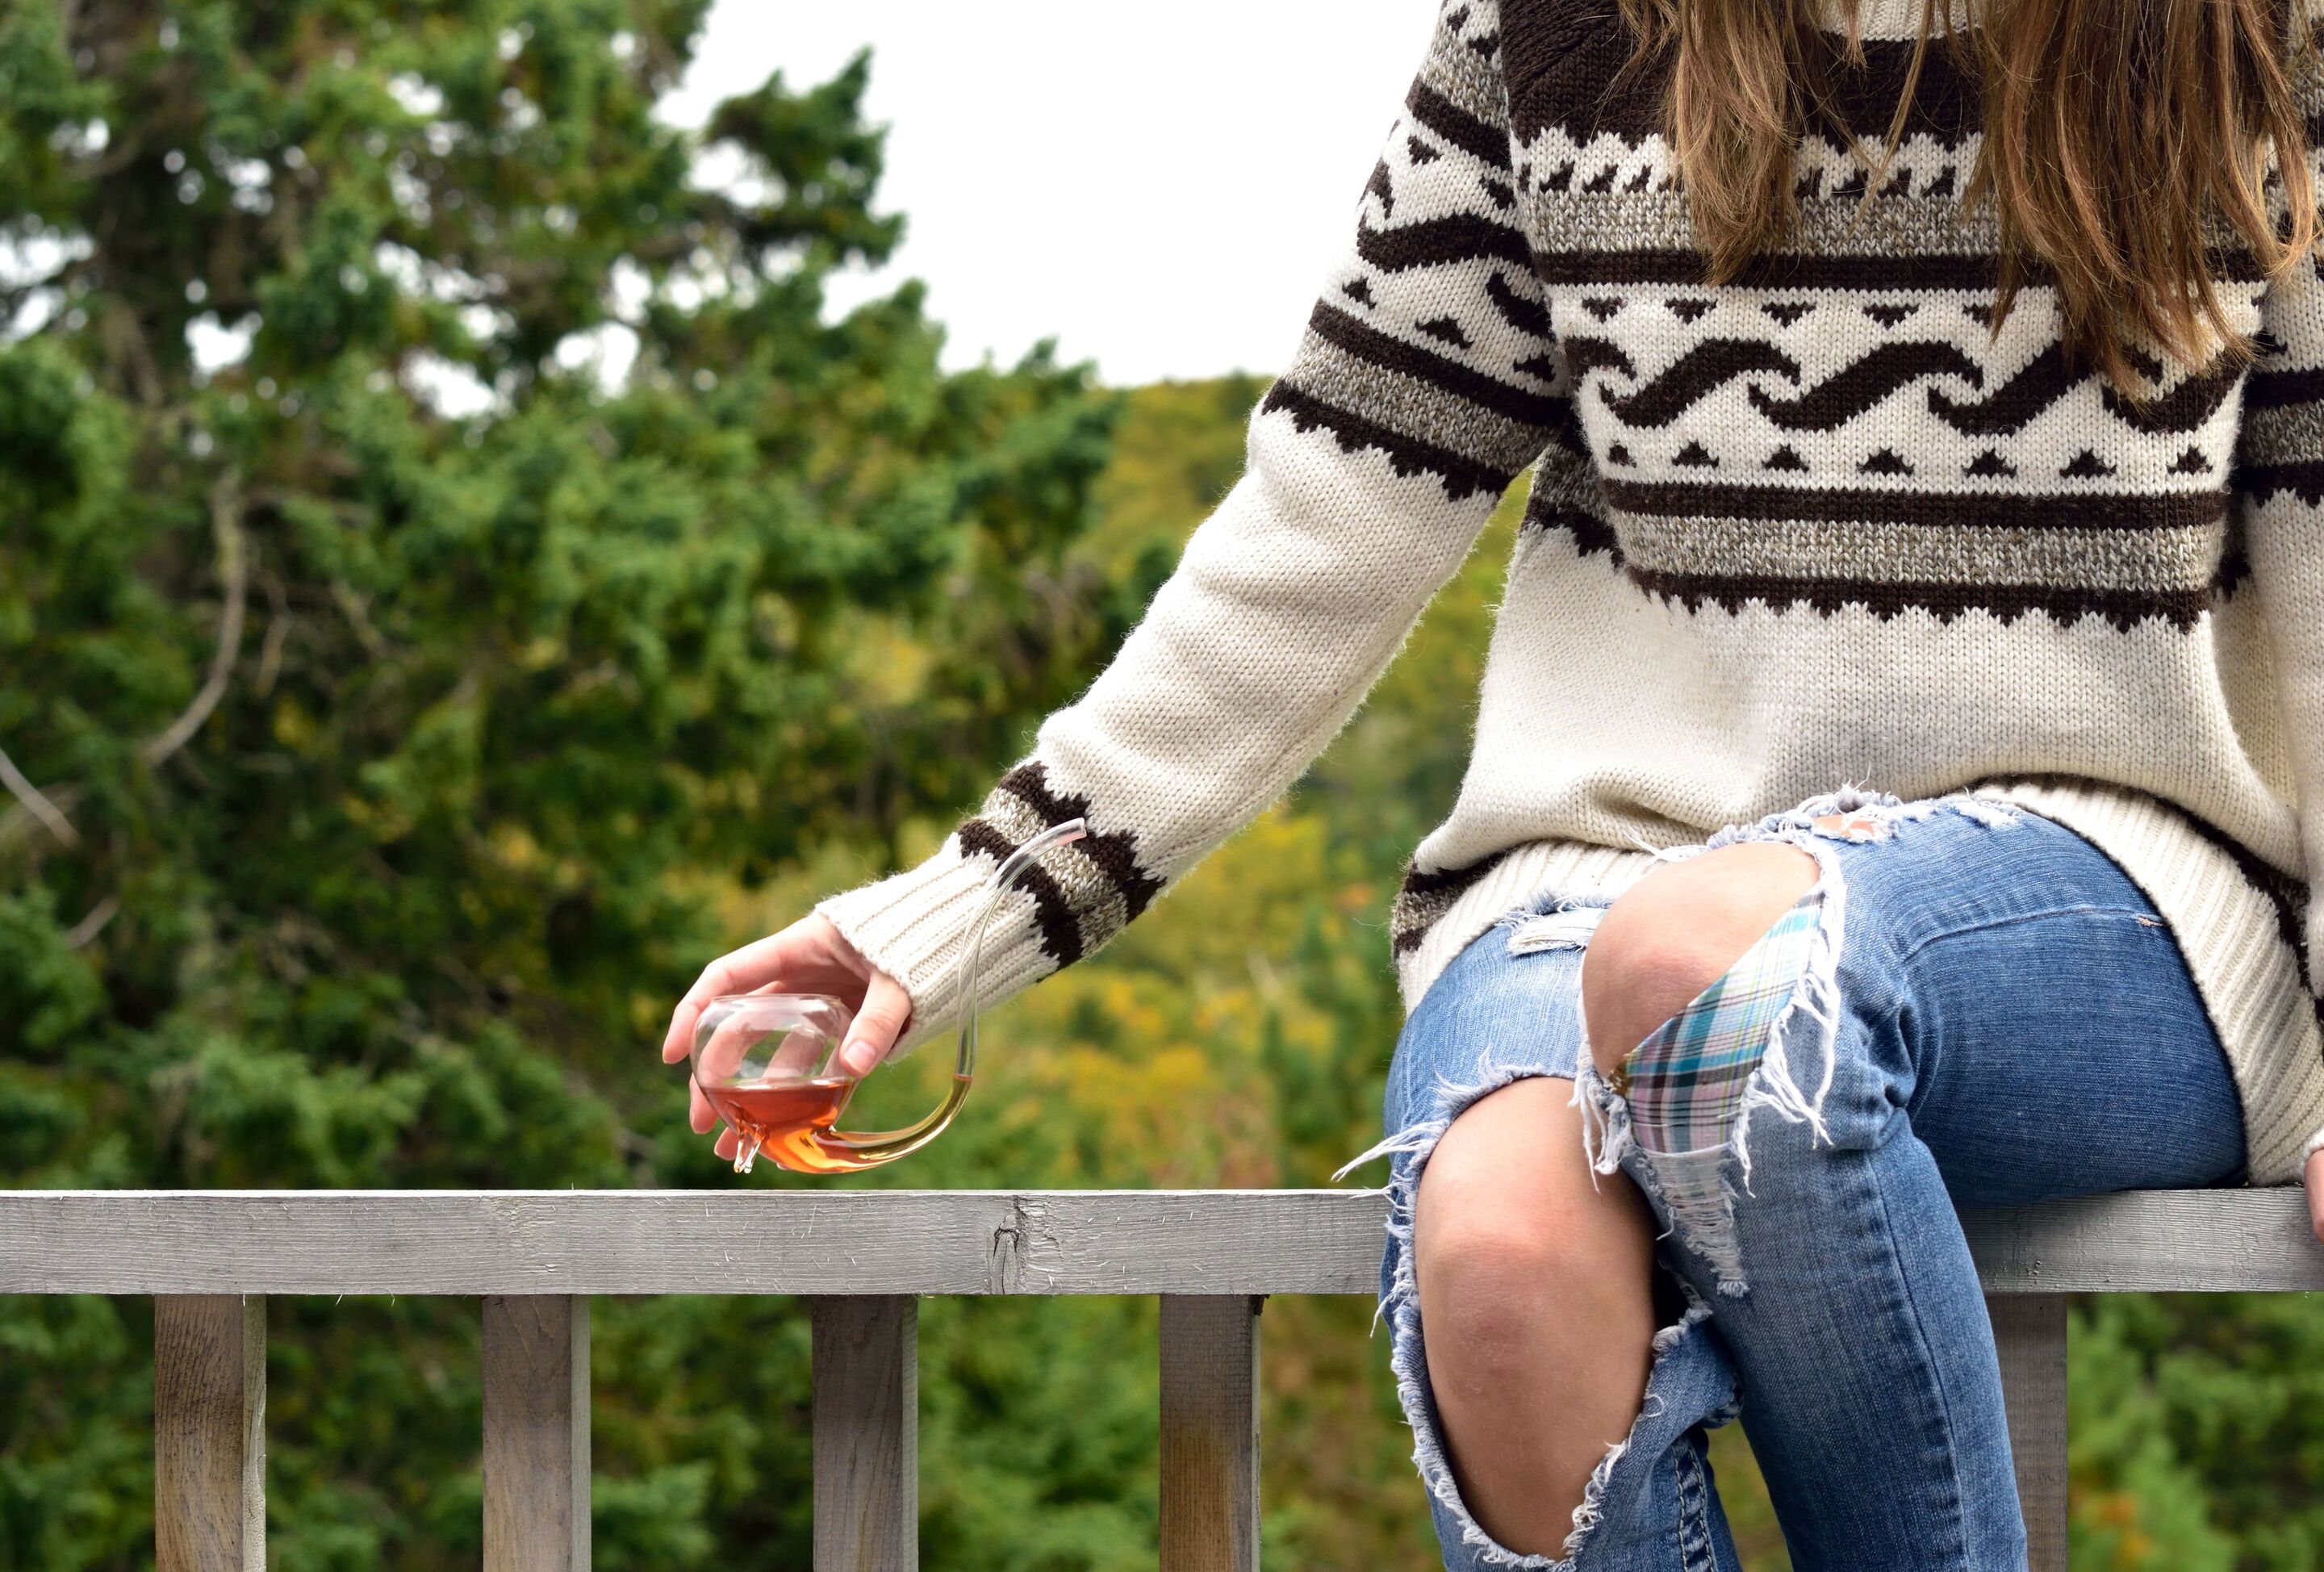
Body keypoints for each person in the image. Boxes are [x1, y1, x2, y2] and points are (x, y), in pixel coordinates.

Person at [663, 0, 2324, 1563]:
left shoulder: (2257, 35)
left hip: (2109, 892)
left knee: (1716, 977)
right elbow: (1331, 510)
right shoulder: (1560, 30)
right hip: (1595, 866)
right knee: (1506, 1254)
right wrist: (956, 913)